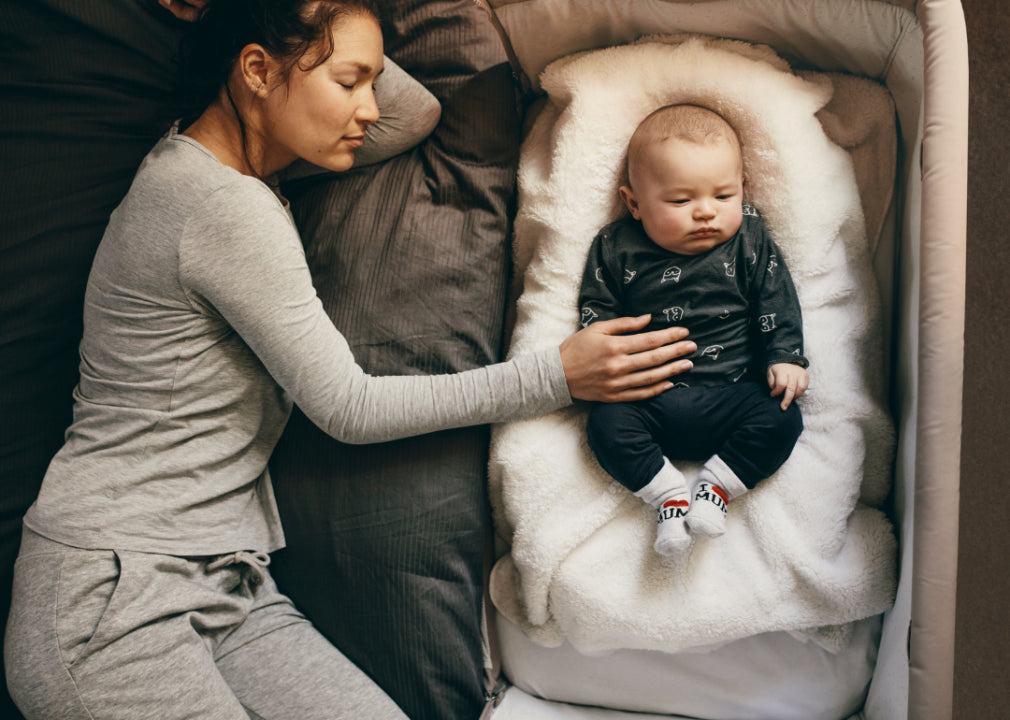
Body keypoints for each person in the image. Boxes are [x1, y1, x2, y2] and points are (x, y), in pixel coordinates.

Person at [3, 2, 696, 718]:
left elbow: (413, 113)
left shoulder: (229, 165)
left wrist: (326, 35)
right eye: (348, 82)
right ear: (254, 70)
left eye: (369, 80)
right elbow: (349, 408)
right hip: (113, 598)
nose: (368, 108)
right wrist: (555, 375)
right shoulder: (217, 205)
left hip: (225, 586)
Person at [579, 104, 810, 555]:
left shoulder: (750, 238)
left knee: (783, 417)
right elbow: (597, 310)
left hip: (735, 392)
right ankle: (667, 493)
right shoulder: (615, 246)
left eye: (724, 197)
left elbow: (776, 297)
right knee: (604, 426)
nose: (706, 213)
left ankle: (716, 488)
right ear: (634, 203)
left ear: (742, 189)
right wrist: (604, 369)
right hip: (647, 396)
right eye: (681, 201)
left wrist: (786, 356)